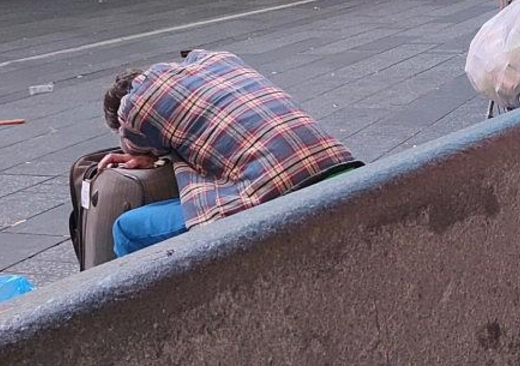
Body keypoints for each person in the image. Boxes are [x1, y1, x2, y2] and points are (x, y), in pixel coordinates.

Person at [100, 51, 363, 257]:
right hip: (348, 174)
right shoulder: (219, 61)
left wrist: (143, 155)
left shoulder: (134, 107)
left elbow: (133, 148)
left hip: (281, 198)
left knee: (127, 229)